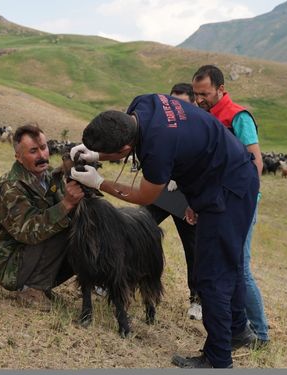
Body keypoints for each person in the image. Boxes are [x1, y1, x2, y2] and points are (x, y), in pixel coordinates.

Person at [69, 94, 259, 368]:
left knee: (211, 275)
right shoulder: (142, 104)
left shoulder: (158, 149)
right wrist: (96, 153)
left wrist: (100, 182)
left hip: (229, 190)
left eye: (113, 154)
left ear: (125, 147)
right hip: (222, 175)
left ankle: (218, 359)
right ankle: (237, 329)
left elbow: (145, 196)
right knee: (227, 263)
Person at [192, 65, 269, 348]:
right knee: (230, 266)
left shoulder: (239, 117)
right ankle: (241, 330)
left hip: (240, 205)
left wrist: (242, 204)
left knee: (239, 267)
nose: (199, 99)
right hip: (219, 204)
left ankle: (260, 334)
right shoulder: (206, 118)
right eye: (196, 94)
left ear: (221, 89)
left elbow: (256, 163)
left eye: (205, 94)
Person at [0, 123, 84, 311]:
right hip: (10, 266)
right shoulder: (10, 188)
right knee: (65, 229)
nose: (42, 156)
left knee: (80, 230)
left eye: (44, 148)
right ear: (18, 157)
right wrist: (67, 204)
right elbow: (28, 232)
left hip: (29, 255)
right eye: (33, 151)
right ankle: (32, 289)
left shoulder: (48, 177)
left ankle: (41, 285)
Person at [145, 82, 201, 320]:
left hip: (189, 196)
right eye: (173, 103)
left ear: (194, 103)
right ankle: (117, 279)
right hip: (163, 190)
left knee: (194, 249)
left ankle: (197, 300)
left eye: (183, 103)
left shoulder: (202, 127)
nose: (177, 108)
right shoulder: (165, 125)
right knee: (139, 227)